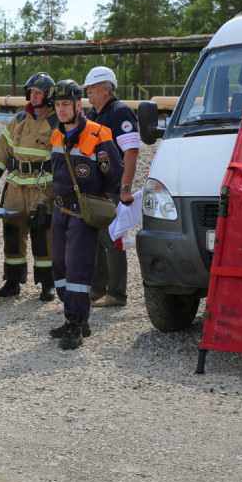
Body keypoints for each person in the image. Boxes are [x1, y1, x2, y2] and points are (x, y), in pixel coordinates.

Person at [48, 80, 123, 350]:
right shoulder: (56, 134)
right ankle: (76, 317)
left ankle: (75, 323)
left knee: (77, 267)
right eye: (57, 105)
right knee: (59, 265)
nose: (61, 109)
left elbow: (113, 171)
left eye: (65, 104)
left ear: (79, 105)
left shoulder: (98, 133)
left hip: (82, 211)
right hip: (59, 209)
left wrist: (97, 198)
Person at [0, 72, 59, 302]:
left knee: (42, 234)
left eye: (38, 93)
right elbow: (2, 151)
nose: (33, 97)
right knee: (12, 233)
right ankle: (12, 281)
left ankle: (47, 285)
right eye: (31, 92)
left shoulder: (57, 121)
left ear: (48, 96)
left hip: (42, 188)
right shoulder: (18, 119)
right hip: (15, 187)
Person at [82, 66, 140, 308]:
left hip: (114, 188)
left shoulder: (119, 113)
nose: (88, 92)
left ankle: (117, 294)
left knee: (112, 238)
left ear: (106, 88)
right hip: (98, 188)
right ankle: (98, 287)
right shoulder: (95, 115)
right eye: (87, 88)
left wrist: (125, 188)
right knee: (96, 237)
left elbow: (131, 152)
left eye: (92, 88)